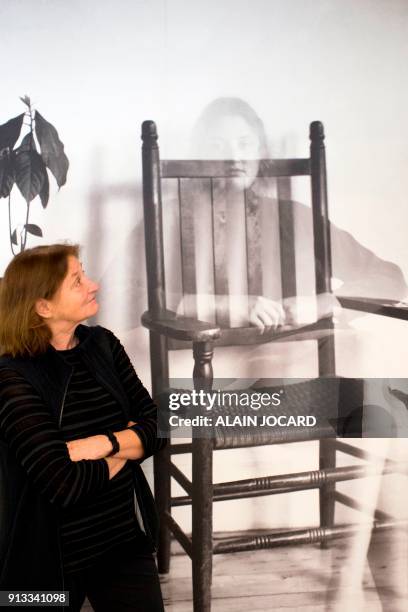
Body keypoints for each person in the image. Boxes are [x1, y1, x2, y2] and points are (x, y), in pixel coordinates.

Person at [0, 244, 166, 612]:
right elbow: (64, 484)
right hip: (45, 563)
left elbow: (159, 429)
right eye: (77, 281)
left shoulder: (102, 344)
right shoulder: (11, 377)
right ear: (43, 306)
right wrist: (128, 443)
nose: (93, 285)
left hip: (121, 541)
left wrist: (101, 444)